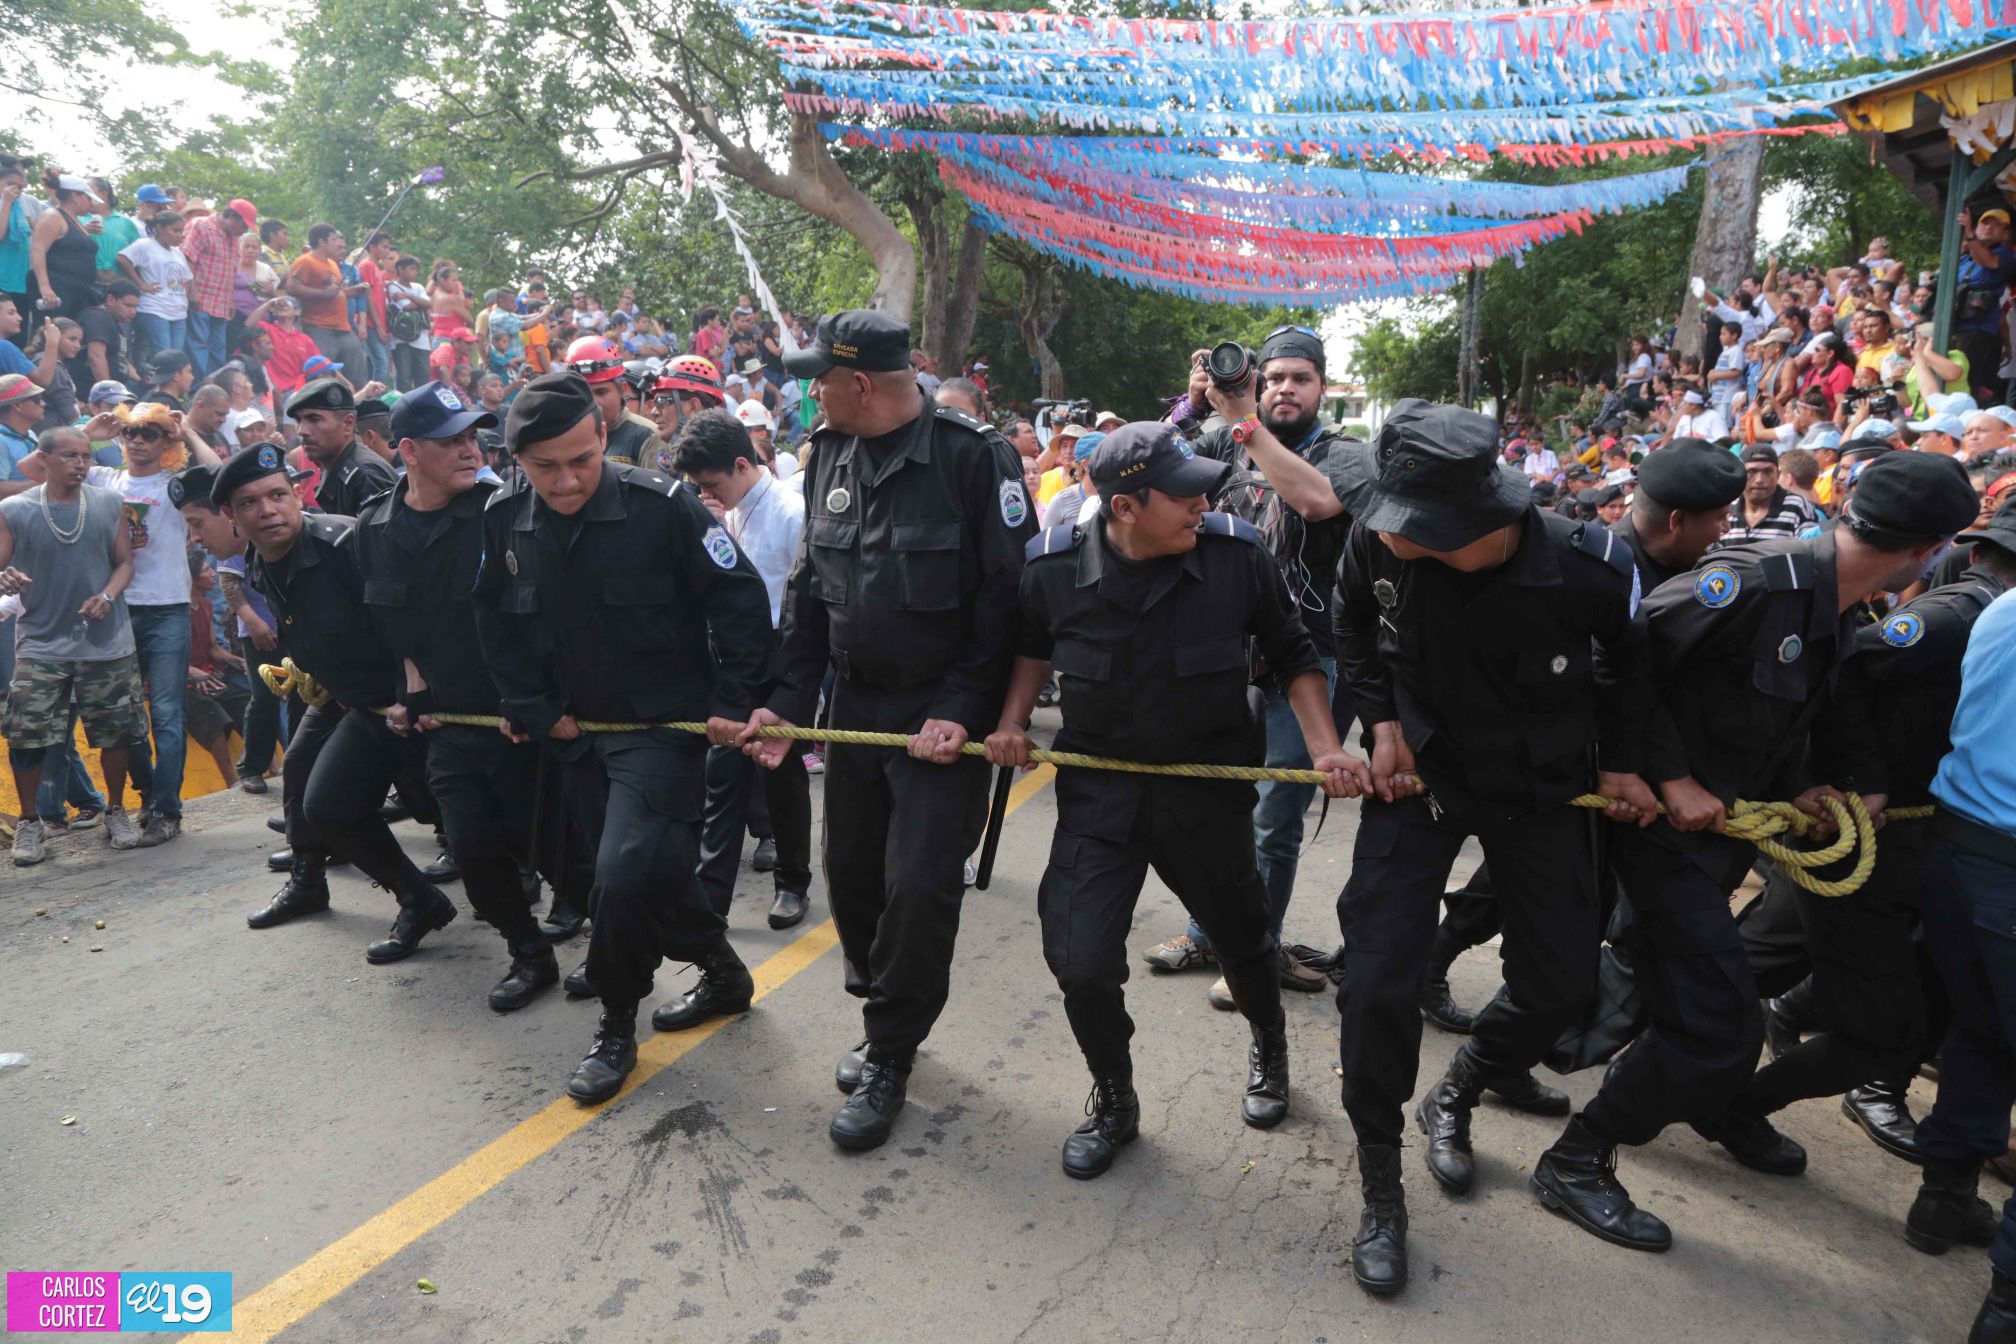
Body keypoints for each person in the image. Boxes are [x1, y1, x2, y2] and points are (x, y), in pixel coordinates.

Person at [1532, 452, 1981, 1255]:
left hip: (1721, 836)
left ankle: (1499, 1095)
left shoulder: (1839, 606)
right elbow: (1621, 661)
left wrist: (1819, 786)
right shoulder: (1754, 581)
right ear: (1925, 553)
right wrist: (1665, 774)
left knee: (1691, 1014)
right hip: (1656, 831)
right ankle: (1574, 1156)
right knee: (1718, 1029)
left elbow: (1778, 722)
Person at [1326, 399, 1653, 1296]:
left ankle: (1464, 1086)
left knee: (1559, 983)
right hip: (1419, 778)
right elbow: (1350, 626)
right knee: (1376, 982)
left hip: (1539, 786)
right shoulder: (1376, 542)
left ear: (1486, 521)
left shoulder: (1591, 565)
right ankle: (1382, 1184)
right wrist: (1382, 721)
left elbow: (1633, 669)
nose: (1391, 538)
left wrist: (1625, 766)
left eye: (1414, 528)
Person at [987, 421, 1366, 1178]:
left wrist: (1326, 745)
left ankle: (1269, 1041)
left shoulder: (1236, 558)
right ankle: (1115, 1095)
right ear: (1125, 507)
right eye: (1184, 492)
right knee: (1082, 963)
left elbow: (1293, 652)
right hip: (1102, 796)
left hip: (1205, 790)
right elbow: (1032, 645)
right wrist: (1009, 722)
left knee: (1246, 942)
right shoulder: (1053, 570)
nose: (1204, 502)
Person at [737, 311, 1036, 1152]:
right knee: (853, 875)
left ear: (859, 383)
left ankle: (893, 1052)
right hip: (856, 709)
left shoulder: (975, 460)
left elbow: (1005, 607)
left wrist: (962, 710)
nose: (808, 394)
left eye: (818, 380)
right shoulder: (828, 451)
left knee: (918, 885)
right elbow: (808, 593)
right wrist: (789, 701)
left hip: (942, 716)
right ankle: (880, 1011)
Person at [473, 372, 774, 1104]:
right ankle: (724, 972)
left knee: (626, 873)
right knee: (642, 873)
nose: (567, 478)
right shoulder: (504, 516)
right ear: (517, 460)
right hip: (576, 732)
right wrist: (535, 705)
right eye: (546, 467)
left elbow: (739, 600)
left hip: (662, 728)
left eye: (581, 459)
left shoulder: (661, 505)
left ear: (604, 437)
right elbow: (494, 620)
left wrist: (735, 702)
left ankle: (615, 1023)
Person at [1705, 498, 2015, 1184]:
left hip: (1898, 840)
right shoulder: (1954, 616)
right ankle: (1625, 1065)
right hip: (1862, 831)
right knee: (1747, 968)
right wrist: (1853, 780)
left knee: (1769, 969)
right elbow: (1847, 675)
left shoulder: (1979, 613)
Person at [1144, 325, 1356, 1006]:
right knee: (1215, 800)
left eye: (1300, 378)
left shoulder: (1346, 454)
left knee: (1274, 811)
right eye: (1273, 379)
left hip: (1309, 656)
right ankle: (1206, 931)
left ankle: (1253, 951)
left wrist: (1244, 423)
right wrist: (1192, 407)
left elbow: (1316, 502)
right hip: (1224, 653)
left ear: (1322, 387)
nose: (1284, 389)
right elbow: (1142, 466)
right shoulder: (1217, 438)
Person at [336, 381, 560, 1010]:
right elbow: (394, 625)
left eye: (472, 437)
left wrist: (541, 701)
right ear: (408, 451)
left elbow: (543, 618)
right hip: (454, 722)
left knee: (567, 854)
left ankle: (634, 955)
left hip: (528, 715)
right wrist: (413, 688)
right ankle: (528, 951)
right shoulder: (376, 527)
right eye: (450, 441)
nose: (470, 450)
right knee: (474, 850)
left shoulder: (507, 510)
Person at [213, 441, 453, 957]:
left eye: (277, 494)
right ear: (232, 515)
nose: (268, 510)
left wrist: (409, 692)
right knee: (327, 805)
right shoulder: (259, 558)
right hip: (357, 704)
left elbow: (412, 620)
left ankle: (544, 921)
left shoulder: (344, 542)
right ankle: (419, 899)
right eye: (250, 503)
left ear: (296, 494)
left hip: (416, 701)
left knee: (462, 814)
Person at [1912, 577, 2016, 1339]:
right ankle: (2007, 1300)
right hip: (2004, 862)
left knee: (1979, 1035)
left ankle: (1943, 1196)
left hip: (1957, 847)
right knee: (1980, 1036)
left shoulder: (2007, 605)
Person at [672, 409, 813, 930]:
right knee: (723, 776)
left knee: (782, 775)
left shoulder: (790, 511)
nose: (706, 491)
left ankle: (792, 883)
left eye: (711, 482)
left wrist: (797, 684)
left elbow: (807, 602)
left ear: (740, 463)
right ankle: (712, 901)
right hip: (733, 658)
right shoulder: (723, 511)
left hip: (782, 658)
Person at [1, 426, 149, 862]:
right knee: (27, 736)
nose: (81, 465)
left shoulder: (107, 503)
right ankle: (31, 822)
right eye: (70, 456)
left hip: (106, 641)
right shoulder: (15, 509)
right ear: (43, 459)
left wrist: (106, 596)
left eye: (85, 457)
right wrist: (5, 577)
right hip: (41, 644)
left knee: (116, 733)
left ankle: (116, 811)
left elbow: (125, 563)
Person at [285, 378, 398, 518]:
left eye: (314, 419)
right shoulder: (337, 467)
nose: (302, 430)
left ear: (348, 424)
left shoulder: (365, 475)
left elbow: (381, 538)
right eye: (298, 421)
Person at [180, 199, 254, 377]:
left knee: (218, 348)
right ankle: (197, 387)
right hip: (201, 299)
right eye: (244, 225)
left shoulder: (234, 237)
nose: (245, 230)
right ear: (231, 217)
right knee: (198, 345)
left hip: (221, 303)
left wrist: (230, 300)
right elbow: (187, 258)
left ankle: (215, 388)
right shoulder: (201, 226)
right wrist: (192, 291)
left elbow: (230, 269)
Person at [287, 225, 368, 378]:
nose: (337, 243)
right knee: (320, 373)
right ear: (322, 241)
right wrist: (322, 293)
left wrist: (355, 290)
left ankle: (361, 398)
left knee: (358, 372)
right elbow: (291, 287)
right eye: (333, 239)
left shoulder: (332, 264)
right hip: (319, 327)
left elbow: (337, 294)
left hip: (344, 328)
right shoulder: (305, 261)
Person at [117, 210, 191, 366]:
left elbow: (187, 279)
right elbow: (122, 259)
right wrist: (140, 284)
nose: (180, 235)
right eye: (175, 230)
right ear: (160, 228)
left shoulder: (178, 254)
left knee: (177, 357)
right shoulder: (146, 245)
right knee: (163, 355)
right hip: (155, 309)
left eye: (181, 231)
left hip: (178, 313)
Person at [27, 174, 105, 320]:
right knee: (52, 331)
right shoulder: (53, 216)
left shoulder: (75, 220)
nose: (91, 203)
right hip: (57, 288)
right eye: (88, 198)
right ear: (75, 196)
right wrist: (45, 287)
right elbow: (38, 249)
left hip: (78, 290)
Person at [1724, 442, 1819, 544]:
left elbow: (1811, 551)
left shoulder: (1797, 506)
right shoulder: (1727, 509)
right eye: (1752, 471)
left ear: (1777, 475)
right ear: (1741, 475)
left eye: (1767, 471)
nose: (1759, 480)